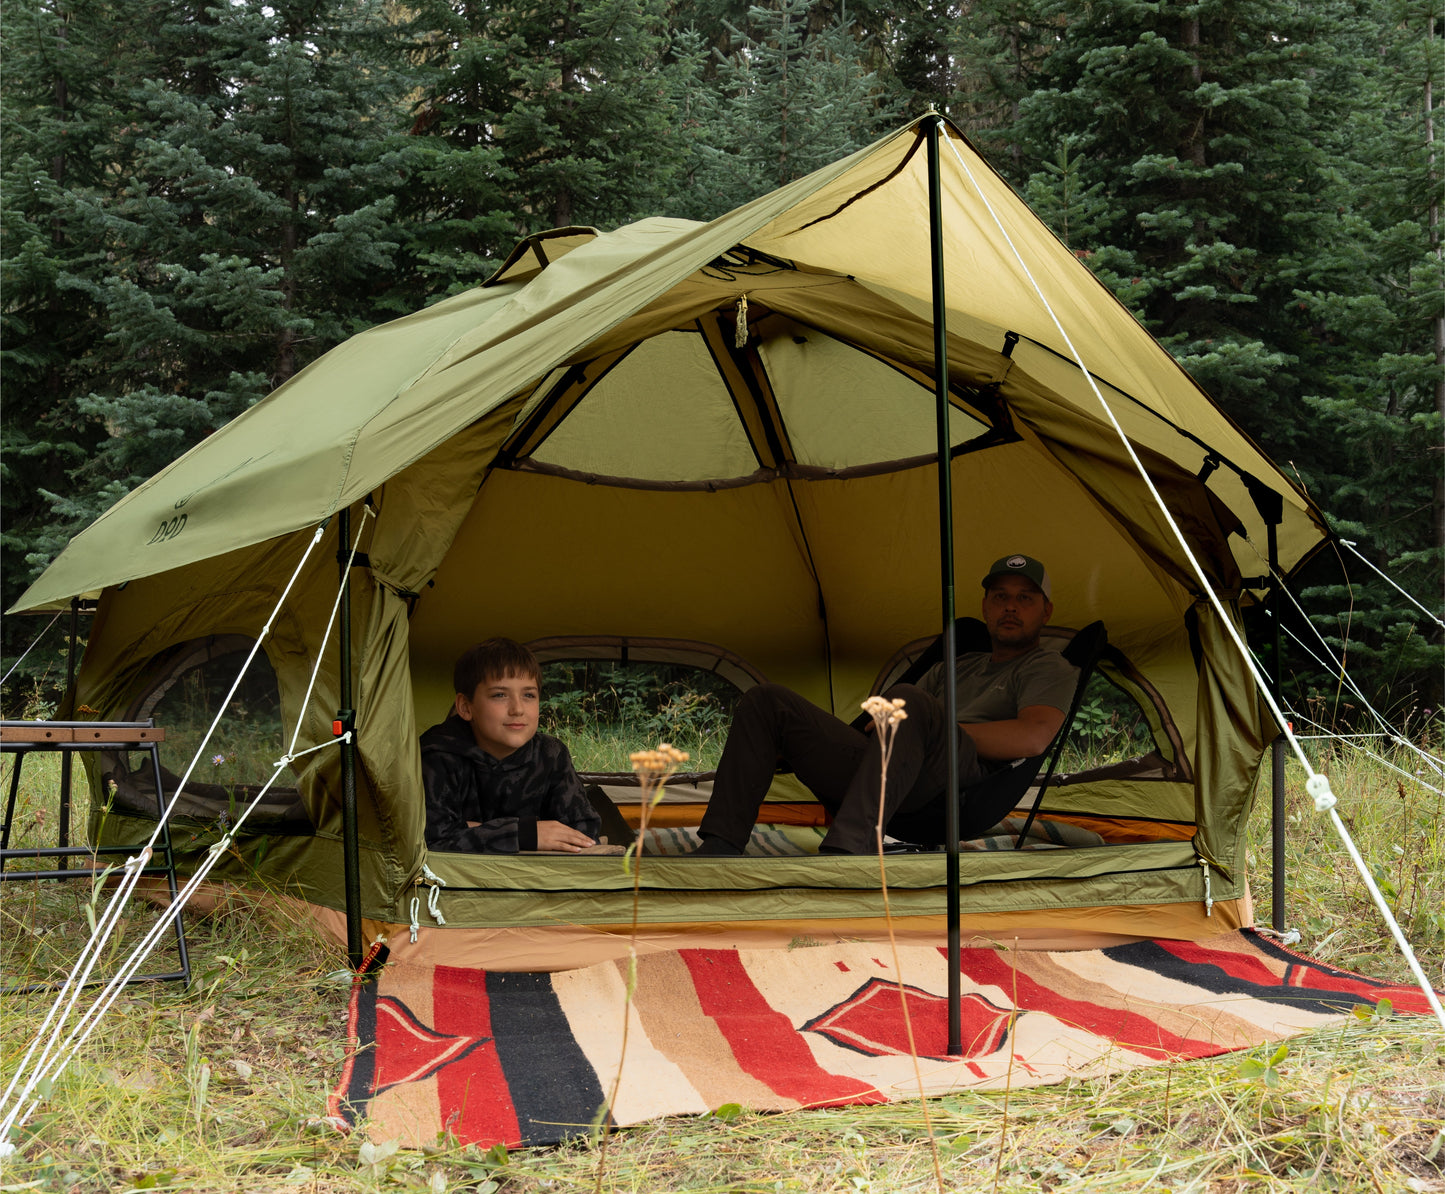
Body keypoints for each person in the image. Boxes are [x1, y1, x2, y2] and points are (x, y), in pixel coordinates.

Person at [693, 554, 1079, 856]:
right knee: (768, 700)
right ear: (985, 606)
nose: (1010, 607)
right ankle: (721, 843)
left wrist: (925, 731)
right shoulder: (953, 666)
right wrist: (900, 726)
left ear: (1046, 611)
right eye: (1001, 597)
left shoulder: (1047, 667)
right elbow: (882, 720)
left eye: (1025, 598)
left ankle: (848, 846)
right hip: (889, 770)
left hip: (958, 780)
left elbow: (1032, 738)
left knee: (909, 701)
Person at [420, 637, 601, 853]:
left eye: (528, 695)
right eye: (499, 695)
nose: (517, 709)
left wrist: (472, 829)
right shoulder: (438, 754)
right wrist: (524, 833)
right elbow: (430, 837)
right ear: (466, 707)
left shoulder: (550, 754)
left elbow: (585, 833)